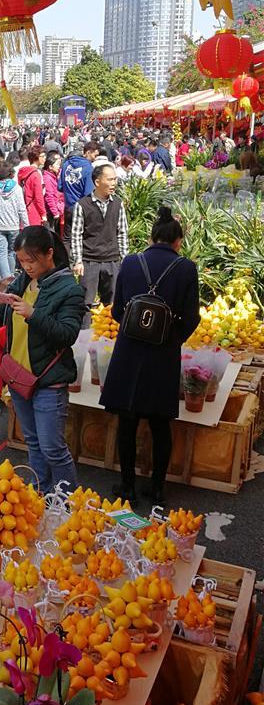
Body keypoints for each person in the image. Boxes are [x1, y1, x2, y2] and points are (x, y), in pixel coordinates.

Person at [101, 208, 200, 504]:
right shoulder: (186, 268)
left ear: (151, 237)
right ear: (178, 241)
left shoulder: (131, 263)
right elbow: (192, 317)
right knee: (160, 425)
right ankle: (157, 488)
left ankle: (128, 487)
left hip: (128, 354)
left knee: (127, 424)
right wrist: (170, 339)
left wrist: (135, 332)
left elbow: (117, 310)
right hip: (163, 356)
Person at [0, 226, 83, 493]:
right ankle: (40, 494)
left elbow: (67, 334)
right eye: (22, 261)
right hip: (18, 376)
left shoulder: (69, 289)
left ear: (49, 253)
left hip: (48, 381)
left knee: (53, 448)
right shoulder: (22, 281)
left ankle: (67, 504)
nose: (27, 267)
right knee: (34, 443)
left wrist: (32, 314)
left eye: (31, 260)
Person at [71, 163, 129, 327]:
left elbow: (122, 232)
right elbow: (76, 234)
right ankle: (84, 339)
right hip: (90, 262)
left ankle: (110, 337)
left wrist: (124, 259)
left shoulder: (118, 203)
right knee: (86, 304)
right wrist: (78, 261)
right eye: (110, 179)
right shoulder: (82, 205)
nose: (113, 183)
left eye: (115, 179)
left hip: (112, 261)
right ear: (97, 182)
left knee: (113, 303)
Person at [0, 161, 29, 280]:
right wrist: (26, 225)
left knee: (1, 253)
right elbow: (22, 209)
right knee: (12, 252)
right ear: (11, 173)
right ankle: (12, 277)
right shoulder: (17, 189)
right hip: (13, 226)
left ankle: (6, 279)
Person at [59, 141, 99, 253]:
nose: (95, 158)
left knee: (67, 238)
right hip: (82, 207)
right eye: (94, 155)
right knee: (80, 237)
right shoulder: (88, 168)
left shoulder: (66, 164)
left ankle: (66, 263)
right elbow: (88, 193)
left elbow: (60, 186)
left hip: (68, 206)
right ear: (88, 152)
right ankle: (78, 262)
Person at [18, 146, 47, 227]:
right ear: (36, 157)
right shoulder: (36, 174)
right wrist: (43, 214)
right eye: (42, 156)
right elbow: (39, 197)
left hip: (24, 207)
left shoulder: (23, 172)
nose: (45, 158)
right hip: (34, 210)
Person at [43, 152, 64, 232]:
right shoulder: (47, 178)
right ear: (50, 166)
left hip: (57, 209)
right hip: (51, 212)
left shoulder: (54, 175)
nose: (59, 166)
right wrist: (55, 212)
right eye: (57, 164)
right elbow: (49, 196)